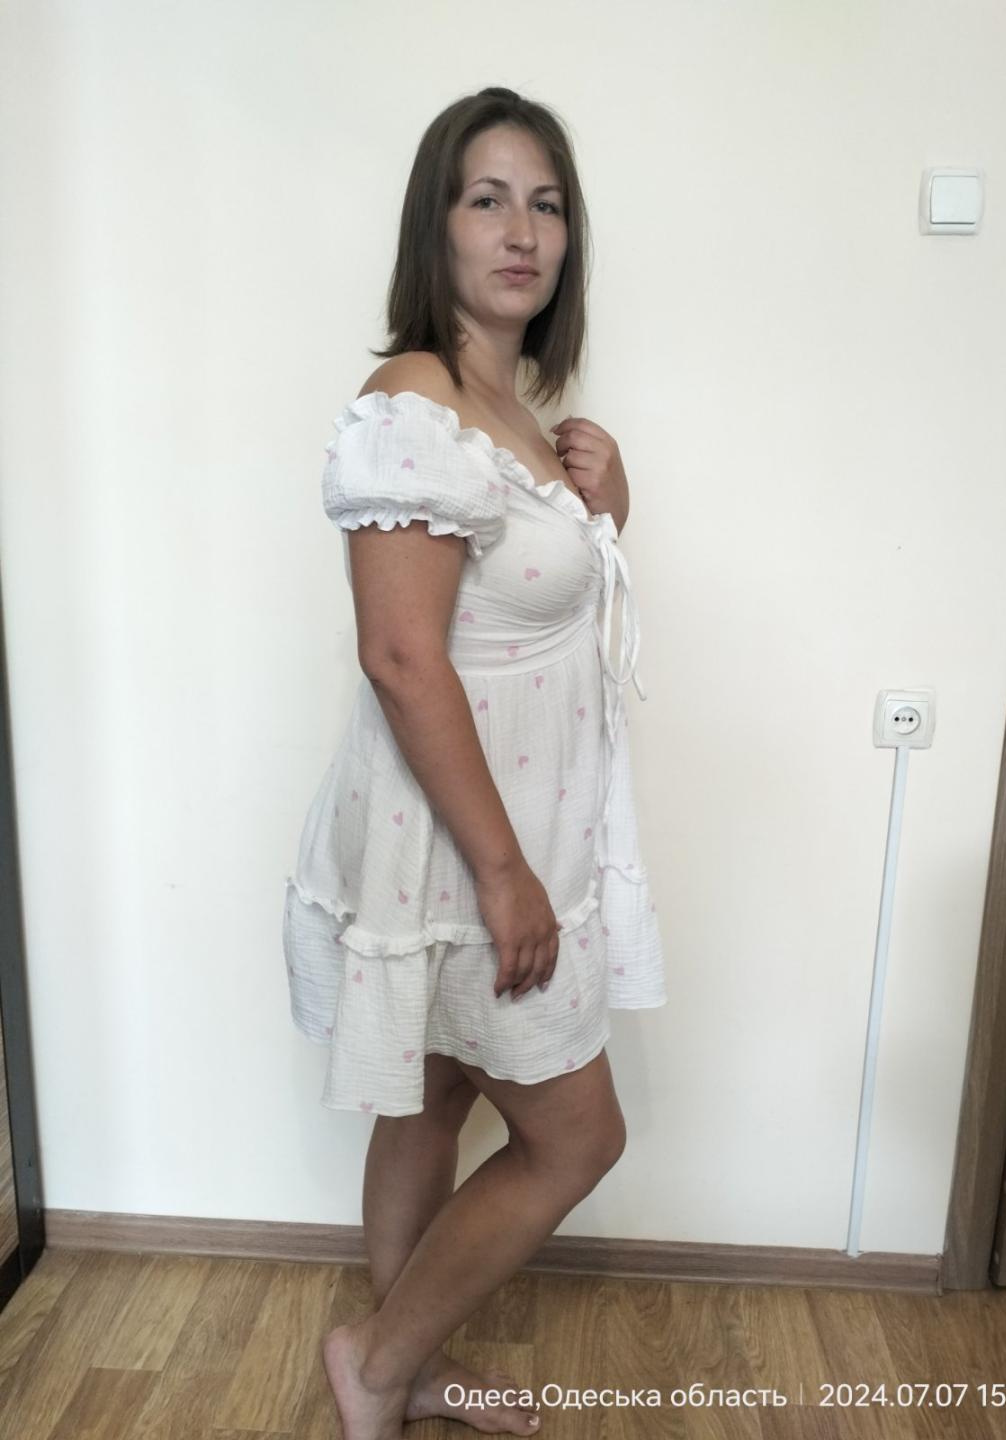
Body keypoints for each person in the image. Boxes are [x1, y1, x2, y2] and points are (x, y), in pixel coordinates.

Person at [282, 86, 666, 1440]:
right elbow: (402, 655)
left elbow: (523, 609)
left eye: (546, 205)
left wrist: (604, 507)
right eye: (487, 198)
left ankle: (407, 1363)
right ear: (434, 224)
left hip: (510, 825)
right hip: (456, 842)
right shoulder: (414, 400)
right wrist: (504, 875)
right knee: (578, 1137)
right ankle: (379, 1362)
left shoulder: (513, 411)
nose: (522, 231)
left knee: (433, 1095)